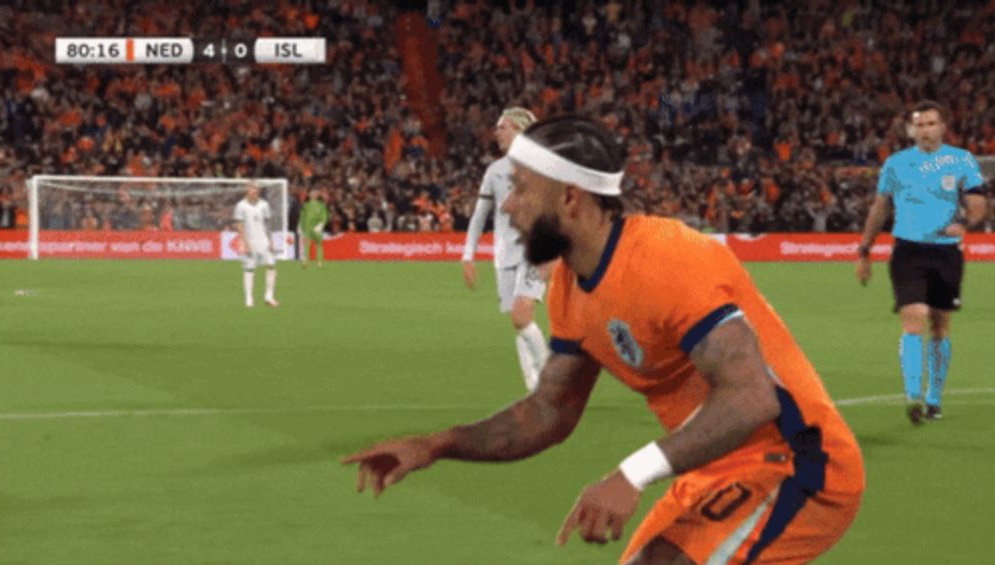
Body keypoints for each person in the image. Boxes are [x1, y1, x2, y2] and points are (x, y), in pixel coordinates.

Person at [343, 116, 864, 564]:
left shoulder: (667, 258)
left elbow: (751, 397)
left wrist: (629, 475)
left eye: (521, 188)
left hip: (799, 465)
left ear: (570, 196)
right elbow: (548, 412)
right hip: (714, 469)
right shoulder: (571, 286)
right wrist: (435, 445)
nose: (508, 207)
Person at [855, 101, 987, 424]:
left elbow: (978, 202)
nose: (925, 130)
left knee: (940, 325)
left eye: (931, 123)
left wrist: (966, 222)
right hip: (908, 250)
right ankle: (912, 394)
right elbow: (880, 207)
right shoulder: (896, 164)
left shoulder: (961, 160)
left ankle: (933, 398)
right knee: (914, 315)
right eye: (919, 124)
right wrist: (864, 250)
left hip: (946, 251)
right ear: (911, 130)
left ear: (942, 127)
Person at [461, 107, 550, 392]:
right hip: (504, 254)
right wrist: (468, 255)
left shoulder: (543, 169)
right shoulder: (495, 171)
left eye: (503, 127)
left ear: (520, 131)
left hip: (535, 250)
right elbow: (479, 215)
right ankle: (534, 388)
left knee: (520, 315)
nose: (496, 132)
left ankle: (552, 383)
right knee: (519, 322)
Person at [234, 183, 278, 308]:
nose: (253, 191)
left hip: (263, 240)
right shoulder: (240, 206)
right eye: (251, 189)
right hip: (249, 241)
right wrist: (244, 242)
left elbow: (268, 223)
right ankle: (249, 298)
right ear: (247, 190)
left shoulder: (264, 205)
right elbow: (239, 225)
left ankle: (269, 297)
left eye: (255, 189)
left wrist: (270, 240)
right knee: (249, 268)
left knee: (271, 265)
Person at [298, 188, 329, 268]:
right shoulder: (306, 205)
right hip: (308, 228)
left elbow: (324, 216)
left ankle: (319, 262)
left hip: (316, 228)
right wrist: (300, 226)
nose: (314, 194)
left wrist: (321, 225)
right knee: (307, 245)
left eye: (315, 193)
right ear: (310, 195)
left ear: (318, 195)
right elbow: (302, 216)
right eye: (312, 193)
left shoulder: (321, 205)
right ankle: (306, 262)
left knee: (318, 245)